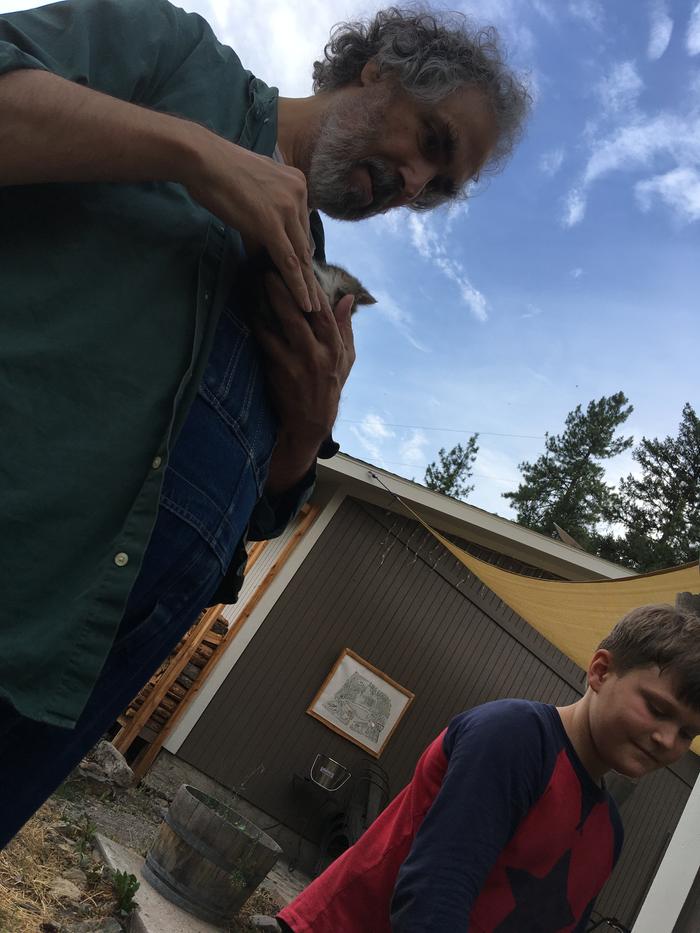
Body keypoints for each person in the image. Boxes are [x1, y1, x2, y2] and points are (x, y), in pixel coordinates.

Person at [0, 1, 529, 846]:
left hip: (72, 685)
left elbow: (246, 520)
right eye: (433, 140)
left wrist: (304, 433)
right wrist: (193, 153)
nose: (419, 186)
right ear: (379, 70)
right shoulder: (175, 61)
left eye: (444, 186)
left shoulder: (317, 288)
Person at [261, 604, 700, 932]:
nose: (667, 740)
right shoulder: (516, 737)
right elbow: (436, 891)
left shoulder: (609, 833)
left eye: (686, 733)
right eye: (657, 709)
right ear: (601, 672)